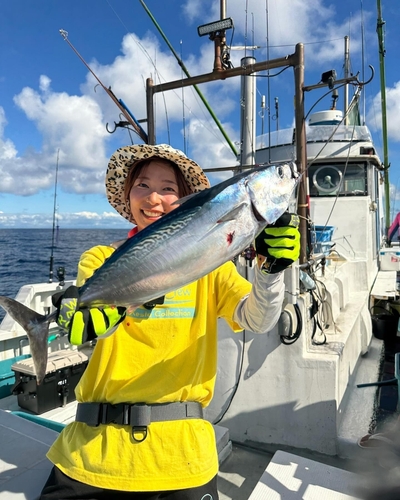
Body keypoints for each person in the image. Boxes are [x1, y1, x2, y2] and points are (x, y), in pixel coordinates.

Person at [39, 143, 301, 500]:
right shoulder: (101, 258)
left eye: (168, 188)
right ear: (128, 196)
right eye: (142, 186)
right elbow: (91, 332)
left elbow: (257, 319)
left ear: (183, 201)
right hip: (94, 450)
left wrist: (271, 271)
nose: (154, 198)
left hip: (183, 457)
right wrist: (85, 323)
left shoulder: (213, 269)